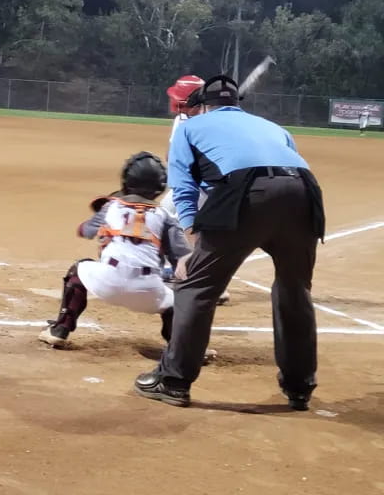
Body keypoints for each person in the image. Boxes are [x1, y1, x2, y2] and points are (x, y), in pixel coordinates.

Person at [134, 75, 325, 410]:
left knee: (196, 287)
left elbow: (183, 186)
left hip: (249, 194)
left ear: (203, 107)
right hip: (304, 193)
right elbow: (288, 166)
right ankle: (299, 387)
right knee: (294, 290)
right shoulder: (273, 127)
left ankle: (174, 381)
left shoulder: (191, 127)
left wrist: (192, 237)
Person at [38, 152, 192, 350]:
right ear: (160, 187)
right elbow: (182, 257)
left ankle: (60, 330)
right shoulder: (165, 216)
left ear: (126, 181)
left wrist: (104, 223)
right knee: (178, 302)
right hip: (148, 292)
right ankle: (183, 348)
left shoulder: (111, 207)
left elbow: (84, 231)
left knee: (78, 269)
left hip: (107, 284)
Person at [160, 75, 230, 305]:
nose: (176, 105)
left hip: (207, 185)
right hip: (202, 183)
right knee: (201, 231)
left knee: (166, 219)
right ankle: (215, 284)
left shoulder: (202, 122)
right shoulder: (188, 119)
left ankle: (211, 284)